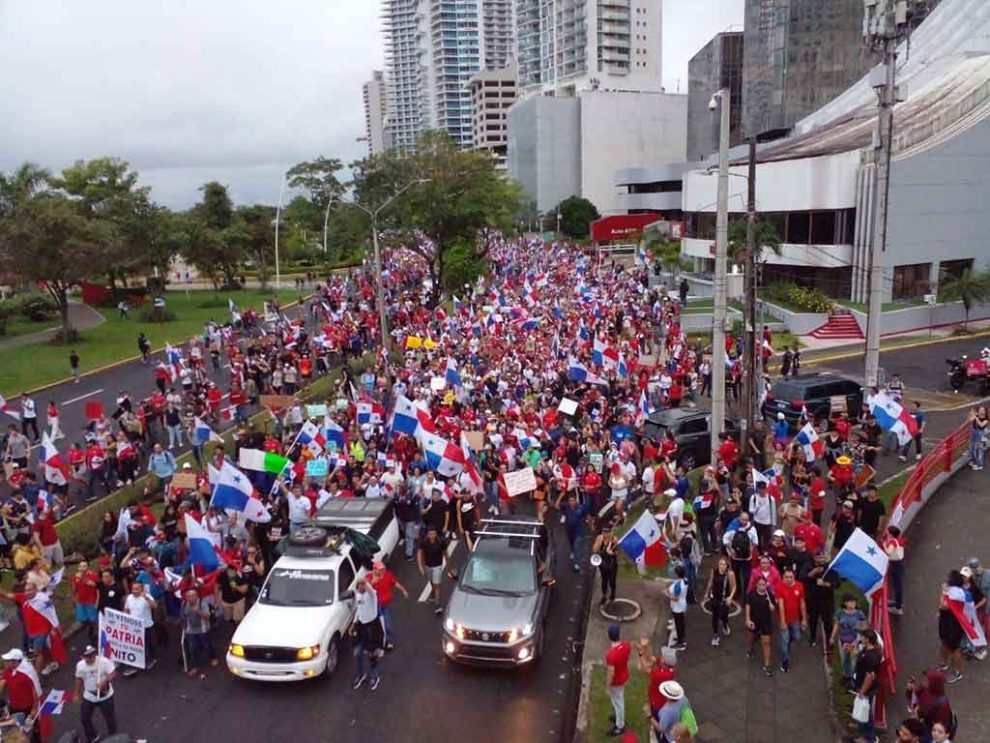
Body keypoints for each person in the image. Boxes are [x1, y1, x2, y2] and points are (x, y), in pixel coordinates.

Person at [74, 644, 117, 743]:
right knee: (84, 718)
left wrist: (105, 681)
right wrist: (76, 693)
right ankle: (92, 736)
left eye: (93, 654)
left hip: (105, 696)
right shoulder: (80, 665)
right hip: (89, 695)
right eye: (88, 656)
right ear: (82, 657)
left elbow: (113, 673)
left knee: (110, 718)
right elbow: (79, 679)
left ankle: (114, 738)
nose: (91, 657)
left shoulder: (104, 661)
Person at [350, 577, 385, 691]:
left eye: (363, 584)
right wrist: (354, 623)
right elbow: (359, 610)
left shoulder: (372, 595)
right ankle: (361, 675)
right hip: (361, 627)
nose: (361, 586)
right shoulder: (358, 595)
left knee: (372, 655)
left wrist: (367, 582)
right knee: (357, 653)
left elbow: (370, 589)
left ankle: (375, 676)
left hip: (372, 627)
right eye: (359, 584)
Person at [369, 559, 409, 650]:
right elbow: (363, 588)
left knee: (387, 623)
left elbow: (395, 583)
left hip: (385, 605)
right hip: (375, 607)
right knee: (377, 625)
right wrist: (372, 582)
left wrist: (403, 590)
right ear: (374, 569)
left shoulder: (387, 575)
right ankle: (379, 642)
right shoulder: (369, 577)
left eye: (383, 569)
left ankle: (389, 641)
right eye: (380, 569)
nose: (382, 571)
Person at [776, 568, 807, 673]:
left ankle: (788, 645)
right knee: (784, 641)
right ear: (783, 577)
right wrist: (783, 621)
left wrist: (804, 619)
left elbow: (802, 603)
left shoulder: (799, 586)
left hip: (796, 619)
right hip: (785, 619)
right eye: (786, 577)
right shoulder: (780, 586)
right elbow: (781, 604)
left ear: (794, 577)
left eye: (791, 577)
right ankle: (785, 661)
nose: (788, 579)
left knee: (797, 637)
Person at [853, 629, 882, 743]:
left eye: (863, 636)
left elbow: (870, 676)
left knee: (864, 714)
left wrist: (862, 692)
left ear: (867, 639)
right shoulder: (867, 650)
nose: (861, 638)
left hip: (866, 689)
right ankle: (866, 733)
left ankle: (868, 737)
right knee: (864, 712)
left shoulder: (871, 657)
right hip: (862, 686)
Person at [905, 667, 953, 735]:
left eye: (926, 681)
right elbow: (913, 700)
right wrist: (910, 691)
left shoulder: (942, 705)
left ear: (934, 683)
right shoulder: (924, 689)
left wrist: (919, 715)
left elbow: (939, 728)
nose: (922, 682)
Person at [937, 570, 966, 684]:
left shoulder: (956, 594)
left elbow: (943, 606)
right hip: (947, 622)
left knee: (955, 648)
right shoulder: (954, 590)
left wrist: (943, 592)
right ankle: (943, 665)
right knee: (945, 644)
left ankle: (957, 673)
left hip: (953, 624)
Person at [0, 649, 40, 729]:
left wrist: (34, 709)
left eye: (8, 661)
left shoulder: (28, 672)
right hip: (13, 705)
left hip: (27, 707)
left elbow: (35, 690)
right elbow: (3, 682)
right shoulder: (8, 670)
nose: (6, 663)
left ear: (15, 661)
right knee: (15, 727)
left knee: (30, 728)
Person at [745, 575, 776, 677]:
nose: (762, 587)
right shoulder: (752, 594)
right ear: (756, 585)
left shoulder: (769, 595)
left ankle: (767, 664)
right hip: (754, 621)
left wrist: (772, 608)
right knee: (751, 637)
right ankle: (750, 649)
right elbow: (748, 606)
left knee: (766, 642)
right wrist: (748, 619)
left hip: (765, 622)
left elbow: (773, 609)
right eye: (760, 585)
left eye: (764, 585)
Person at [123, 582, 157, 674]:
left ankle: (151, 659)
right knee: (139, 646)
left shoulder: (147, 597)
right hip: (134, 627)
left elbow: (155, 606)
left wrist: (146, 598)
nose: (134, 591)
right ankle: (138, 663)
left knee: (150, 644)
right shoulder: (129, 598)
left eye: (136, 589)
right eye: (133, 589)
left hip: (147, 626)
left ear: (141, 589)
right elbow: (126, 610)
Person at [604, 622, 631, 736]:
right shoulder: (626, 646)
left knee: (618, 702)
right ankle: (618, 717)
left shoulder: (611, 654)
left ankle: (620, 726)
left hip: (617, 682)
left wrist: (607, 686)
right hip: (624, 676)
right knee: (618, 700)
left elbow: (611, 672)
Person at [704, 556, 736, 646]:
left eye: (723, 564)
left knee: (724, 616)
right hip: (715, 598)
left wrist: (730, 597)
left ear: (727, 565)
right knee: (715, 616)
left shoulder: (730, 574)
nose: (721, 566)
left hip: (724, 599)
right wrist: (707, 593)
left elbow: (734, 587)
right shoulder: (714, 572)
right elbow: (711, 582)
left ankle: (725, 625)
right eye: (720, 564)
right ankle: (715, 635)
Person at [417, 525, 447, 615]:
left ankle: (437, 605)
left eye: (433, 533)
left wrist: (448, 561)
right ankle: (433, 593)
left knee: (436, 584)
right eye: (430, 534)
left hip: (437, 565)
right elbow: (419, 553)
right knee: (431, 581)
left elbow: (445, 552)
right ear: (427, 535)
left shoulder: (441, 541)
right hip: (428, 565)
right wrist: (420, 566)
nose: (432, 535)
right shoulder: (424, 542)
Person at [593, 521, 620, 606]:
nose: (605, 534)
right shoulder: (599, 538)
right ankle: (604, 595)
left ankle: (612, 593)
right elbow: (594, 550)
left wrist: (612, 552)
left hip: (612, 563)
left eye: (607, 532)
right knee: (604, 580)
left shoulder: (614, 539)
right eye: (604, 532)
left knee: (612, 580)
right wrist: (600, 542)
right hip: (603, 563)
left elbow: (617, 552)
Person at [884, 525, 906, 615]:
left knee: (897, 586)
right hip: (899, 564)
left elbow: (888, 551)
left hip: (895, 565)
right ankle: (898, 602)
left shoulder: (893, 542)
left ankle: (898, 608)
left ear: (891, 534)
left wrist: (885, 545)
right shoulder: (899, 540)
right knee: (898, 585)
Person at [668, 564, 688, 650]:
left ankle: (681, 642)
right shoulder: (685, 580)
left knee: (678, 624)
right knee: (681, 623)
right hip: (683, 604)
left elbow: (675, 598)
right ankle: (681, 638)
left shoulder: (677, 586)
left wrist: (666, 593)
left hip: (677, 607)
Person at [968, 405, 988, 471]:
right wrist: (971, 415)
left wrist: (976, 418)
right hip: (974, 432)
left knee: (979, 449)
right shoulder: (976, 416)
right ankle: (973, 461)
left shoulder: (986, 419)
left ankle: (979, 464)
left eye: (982, 410)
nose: (981, 411)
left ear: (985, 412)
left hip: (980, 434)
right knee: (972, 447)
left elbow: (981, 425)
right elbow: (970, 421)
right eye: (980, 410)